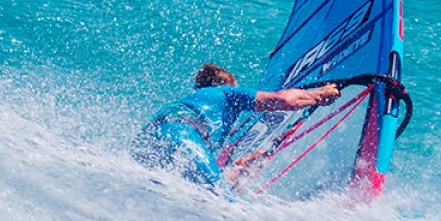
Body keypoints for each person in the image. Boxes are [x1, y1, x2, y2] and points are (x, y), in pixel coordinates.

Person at [131, 61, 340, 189]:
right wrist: (318, 95)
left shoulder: (192, 101)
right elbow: (283, 100)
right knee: (223, 197)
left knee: (191, 193)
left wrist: (244, 164)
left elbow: (207, 175)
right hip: (182, 133)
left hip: (146, 142)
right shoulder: (227, 92)